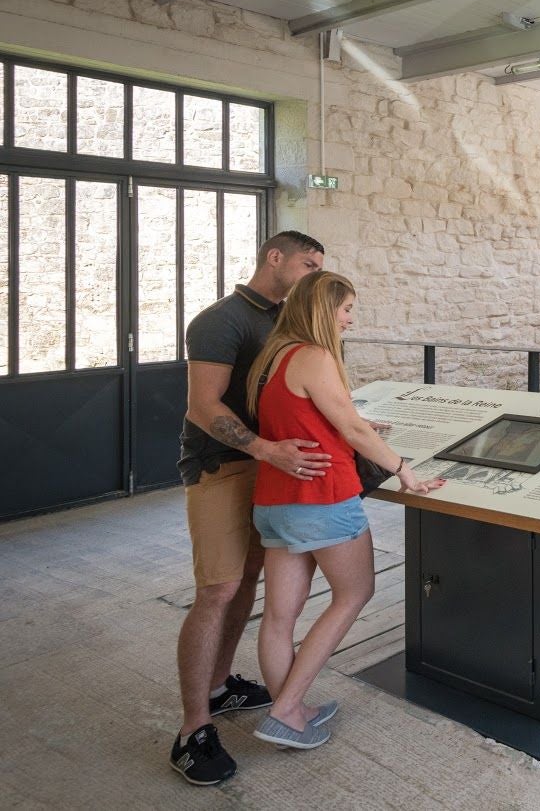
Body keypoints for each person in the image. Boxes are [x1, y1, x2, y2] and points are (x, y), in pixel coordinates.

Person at [246, 271, 444, 749]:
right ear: (324, 308)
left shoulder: (272, 356)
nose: (351, 319)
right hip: (323, 497)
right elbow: (352, 435)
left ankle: (289, 710)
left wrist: (355, 423)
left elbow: (309, 417)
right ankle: (286, 710)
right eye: (347, 308)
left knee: (278, 616)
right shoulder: (314, 356)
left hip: (275, 500)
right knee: (353, 595)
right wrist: (404, 470)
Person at [172, 231, 327, 785]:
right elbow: (202, 405)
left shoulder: (287, 320)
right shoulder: (222, 319)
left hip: (272, 467)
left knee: (247, 584)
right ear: (275, 256)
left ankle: (219, 688)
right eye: (308, 262)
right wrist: (264, 449)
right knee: (216, 590)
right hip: (222, 466)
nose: (313, 272)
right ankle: (193, 730)